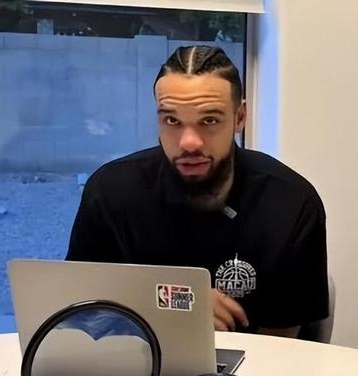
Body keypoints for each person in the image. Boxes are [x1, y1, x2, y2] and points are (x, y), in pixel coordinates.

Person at [67, 45, 328, 338]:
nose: (189, 142)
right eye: (172, 121)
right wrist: (176, 303)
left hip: (253, 361)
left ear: (240, 117)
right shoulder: (111, 192)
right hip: (133, 358)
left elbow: (283, 344)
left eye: (209, 120)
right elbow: (78, 314)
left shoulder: (289, 202)